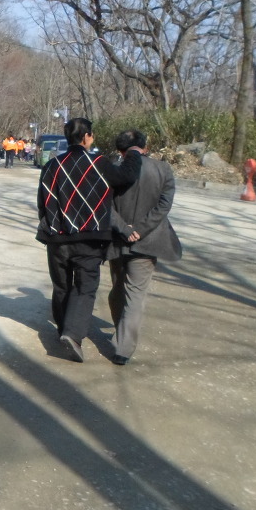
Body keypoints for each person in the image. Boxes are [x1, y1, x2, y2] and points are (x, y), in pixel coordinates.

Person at [36, 118, 143, 363]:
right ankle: (72, 335)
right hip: (90, 238)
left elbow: (42, 202)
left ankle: (63, 331)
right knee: (85, 287)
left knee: (62, 287)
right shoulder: (99, 163)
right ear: (87, 137)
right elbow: (127, 176)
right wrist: (134, 153)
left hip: (57, 238)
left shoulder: (51, 166)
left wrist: (51, 225)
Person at [106, 130, 182, 365]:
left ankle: (121, 335)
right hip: (148, 241)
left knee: (118, 290)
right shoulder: (163, 169)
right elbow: (164, 206)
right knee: (135, 294)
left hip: (117, 239)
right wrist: (140, 229)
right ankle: (123, 349)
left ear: (120, 150)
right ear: (145, 148)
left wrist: (124, 228)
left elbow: (104, 204)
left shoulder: (111, 169)